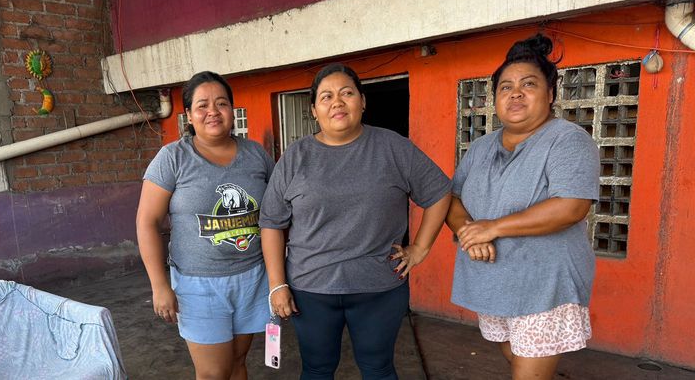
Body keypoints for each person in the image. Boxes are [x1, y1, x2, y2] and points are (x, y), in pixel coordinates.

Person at [260, 63, 451, 380]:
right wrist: (277, 285)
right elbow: (271, 223)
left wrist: (419, 248)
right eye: (326, 96)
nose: (337, 102)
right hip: (311, 290)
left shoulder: (392, 147)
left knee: (378, 369)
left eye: (347, 93)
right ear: (314, 110)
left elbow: (439, 193)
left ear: (362, 101)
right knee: (317, 370)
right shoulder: (295, 156)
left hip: (378, 289)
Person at [445, 34, 600, 380]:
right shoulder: (482, 147)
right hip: (494, 279)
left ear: (550, 94)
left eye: (528, 84)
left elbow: (571, 206)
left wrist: (493, 227)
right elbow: (452, 199)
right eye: (505, 87)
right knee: (513, 352)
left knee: (528, 369)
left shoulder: (568, 140)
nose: (515, 93)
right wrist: (469, 232)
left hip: (543, 283)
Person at [136, 71, 274, 380]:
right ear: (188, 115)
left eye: (221, 103)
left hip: (252, 278)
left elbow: (276, 214)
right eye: (202, 105)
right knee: (213, 373)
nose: (213, 111)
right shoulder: (173, 158)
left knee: (238, 362)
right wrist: (159, 286)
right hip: (198, 285)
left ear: (232, 110)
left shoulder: (256, 155)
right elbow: (147, 222)